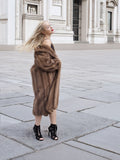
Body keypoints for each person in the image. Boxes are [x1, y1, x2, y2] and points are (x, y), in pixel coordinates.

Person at [24, 21, 61, 141]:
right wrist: (57, 63)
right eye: (48, 26)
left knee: (51, 102)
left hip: (49, 76)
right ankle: (37, 127)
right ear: (42, 31)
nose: (51, 27)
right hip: (43, 77)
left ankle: (53, 127)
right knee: (42, 102)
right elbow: (43, 63)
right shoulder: (45, 42)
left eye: (50, 25)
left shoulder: (47, 41)